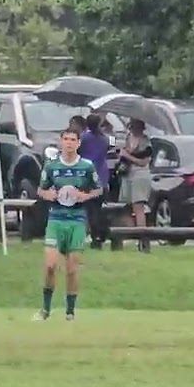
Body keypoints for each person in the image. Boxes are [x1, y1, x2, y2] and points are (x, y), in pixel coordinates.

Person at [34, 128, 102, 321]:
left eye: (73, 139)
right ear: (60, 142)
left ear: (78, 143)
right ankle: (45, 309)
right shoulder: (51, 166)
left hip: (77, 220)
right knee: (49, 266)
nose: (69, 143)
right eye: (66, 139)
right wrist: (49, 195)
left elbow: (98, 190)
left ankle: (70, 312)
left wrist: (85, 195)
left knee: (72, 269)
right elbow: (41, 190)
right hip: (56, 219)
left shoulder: (86, 166)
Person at [116, 118, 153, 252]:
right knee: (125, 206)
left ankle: (143, 240)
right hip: (127, 174)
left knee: (139, 207)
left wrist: (128, 155)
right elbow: (119, 151)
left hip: (140, 174)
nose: (133, 129)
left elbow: (143, 162)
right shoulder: (127, 139)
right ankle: (129, 234)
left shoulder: (146, 142)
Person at [79, 114, 112, 249]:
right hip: (102, 176)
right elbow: (110, 146)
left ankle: (95, 236)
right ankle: (100, 234)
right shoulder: (104, 139)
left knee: (90, 209)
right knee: (98, 208)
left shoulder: (84, 138)